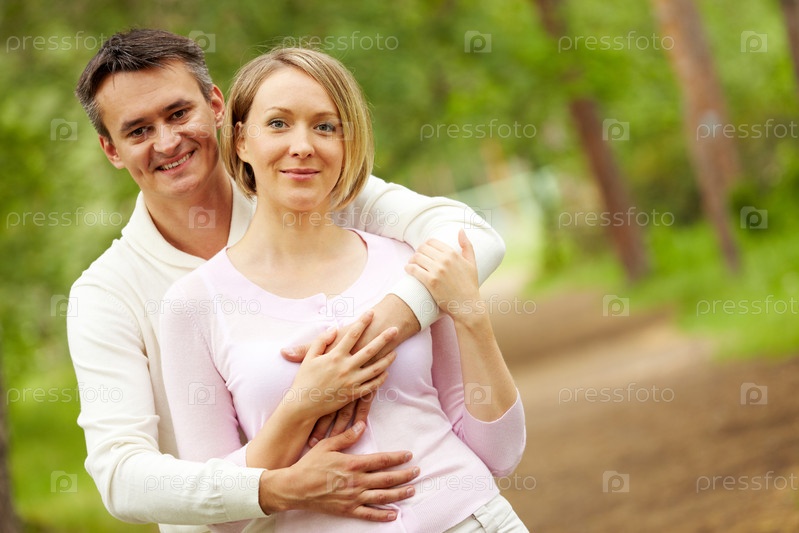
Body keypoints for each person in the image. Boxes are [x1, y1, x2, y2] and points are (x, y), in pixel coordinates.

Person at [67, 29, 507, 531]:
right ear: (112, 149)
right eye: (138, 131)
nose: (167, 142)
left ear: (216, 107)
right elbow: (122, 476)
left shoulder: (303, 184)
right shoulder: (107, 295)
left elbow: (473, 238)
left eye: (178, 113)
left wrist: (374, 333)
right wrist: (277, 489)